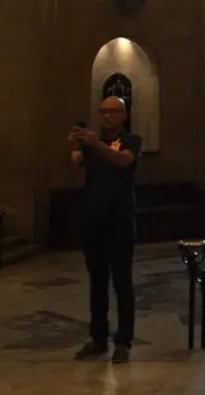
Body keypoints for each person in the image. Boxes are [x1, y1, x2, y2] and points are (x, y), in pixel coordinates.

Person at [69, 96, 143, 364]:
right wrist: (76, 144)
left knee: (122, 282)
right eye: (103, 111)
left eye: (112, 111)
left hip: (119, 220)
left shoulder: (131, 140)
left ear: (123, 115)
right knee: (97, 282)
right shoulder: (92, 142)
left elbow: (123, 160)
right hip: (93, 219)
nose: (107, 116)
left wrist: (95, 144)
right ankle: (98, 338)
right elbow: (77, 161)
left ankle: (123, 341)